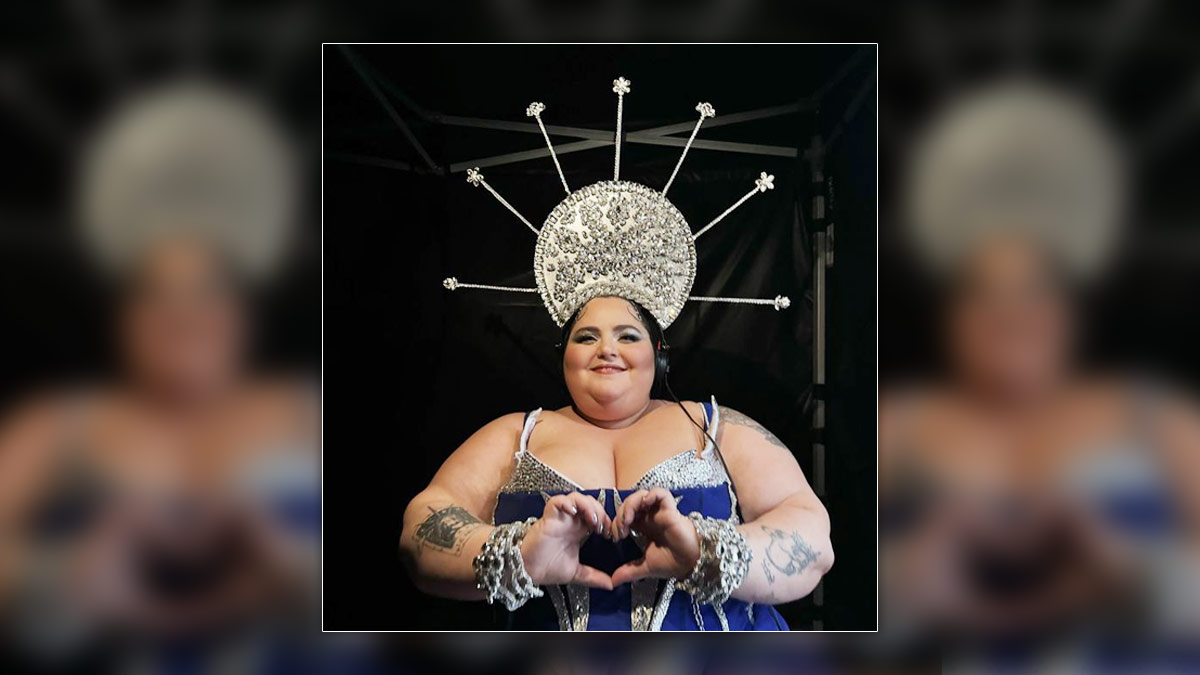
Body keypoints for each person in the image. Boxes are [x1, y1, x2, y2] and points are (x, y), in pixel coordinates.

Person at [400, 294, 832, 631]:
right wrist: (521, 554)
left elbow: (811, 539)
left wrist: (703, 550)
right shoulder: (516, 434)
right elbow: (420, 530)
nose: (606, 349)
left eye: (627, 336)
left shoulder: (717, 427)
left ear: (659, 353)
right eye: (586, 337)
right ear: (563, 354)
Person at [0, 236, 318, 664]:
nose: (182, 313)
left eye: (207, 291)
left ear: (244, 314)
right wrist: (69, 574)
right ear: (121, 319)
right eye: (154, 294)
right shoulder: (57, 422)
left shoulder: (308, 411)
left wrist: (291, 571)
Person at [880, 236, 1200, 643]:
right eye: (982, 294)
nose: (1010, 313)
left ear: (1072, 313)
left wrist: (1130, 573)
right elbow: (827, 576)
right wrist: (907, 577)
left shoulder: (1160, 416)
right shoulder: (896, 423)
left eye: (1035, 290)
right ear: (949, 319)